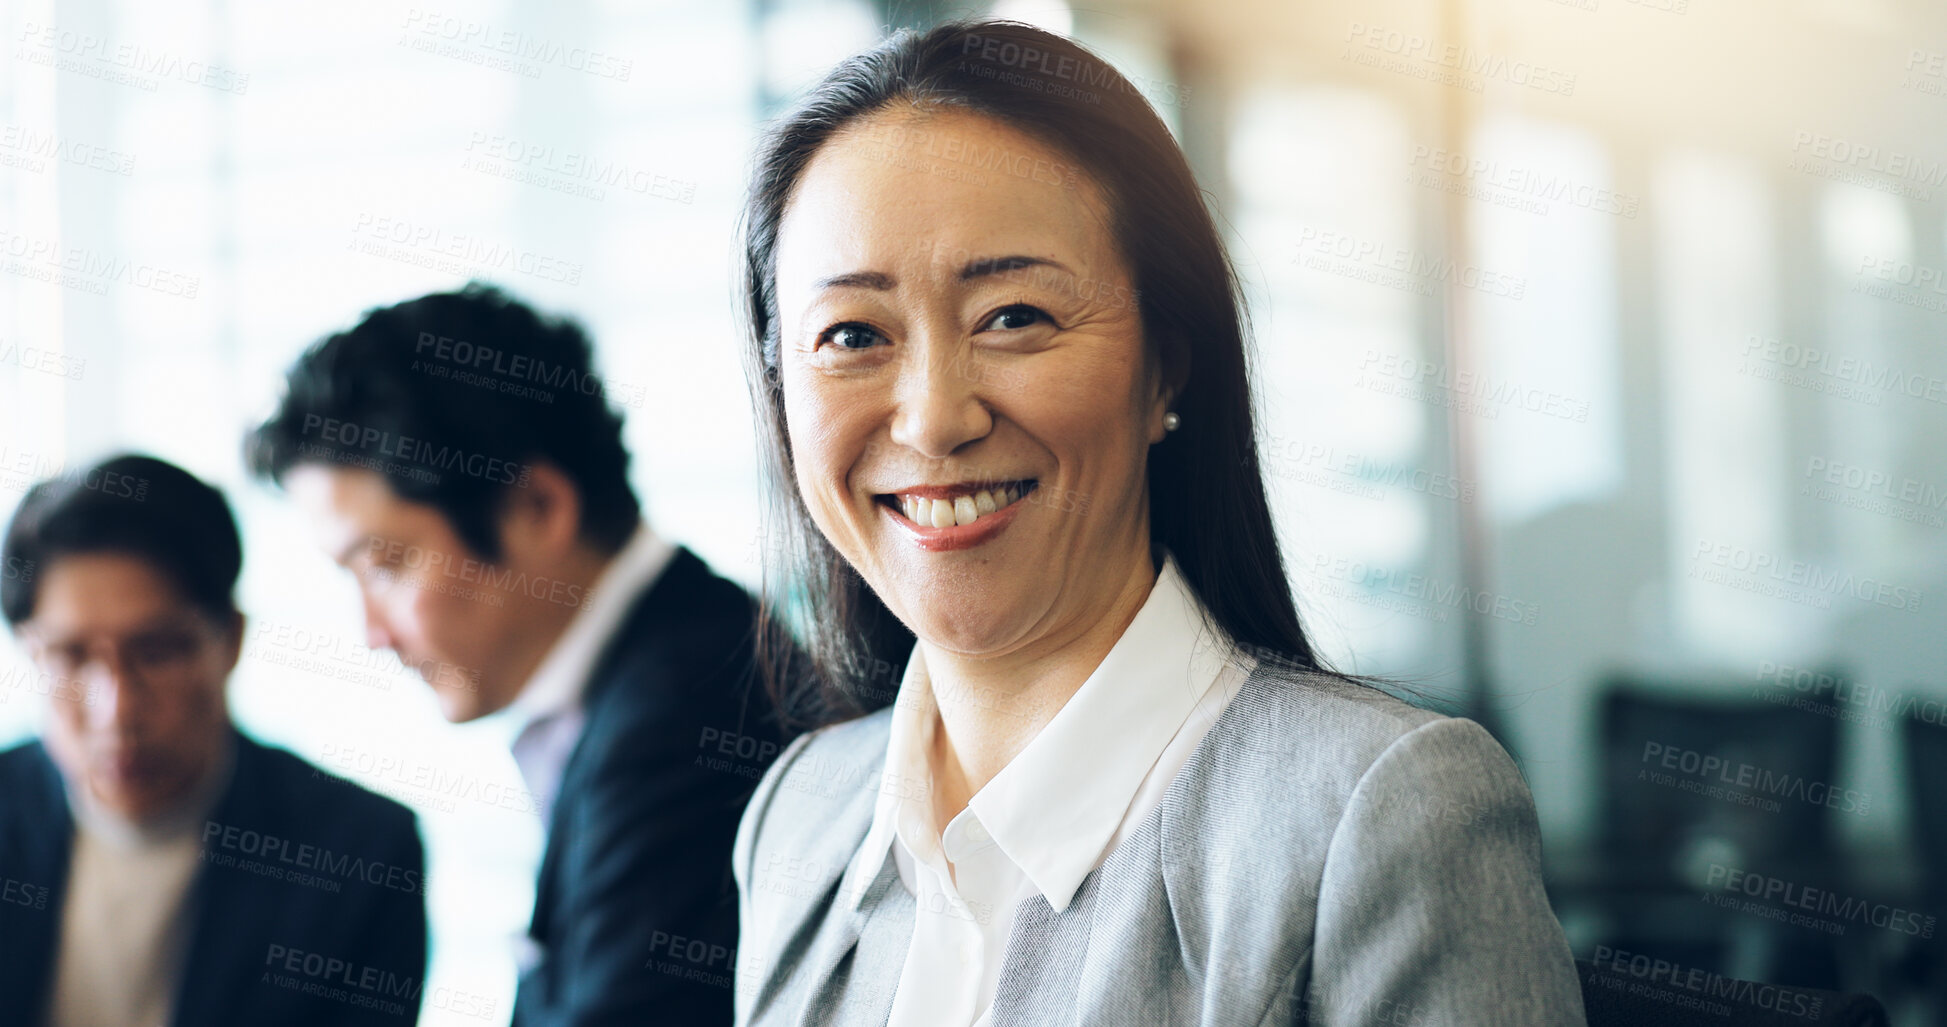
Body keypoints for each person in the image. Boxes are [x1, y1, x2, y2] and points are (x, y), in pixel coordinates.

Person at [729, 20, 1587, 1026]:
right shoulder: (799, 817)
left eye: (1013, 315)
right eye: (852, 335)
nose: (933, 418)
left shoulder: (1382, 817)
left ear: (1164, 369)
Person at [247, 283, 786, 1025]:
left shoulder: (684, 717)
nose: (371, 632)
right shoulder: (658, 673)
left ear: (536, 507)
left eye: (386, 564)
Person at [0, 454, 427, 1027]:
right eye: (71, 656)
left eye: (156, 652)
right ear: (29, 650)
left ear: (230, 640)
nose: (117, 709)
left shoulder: (357, 857)